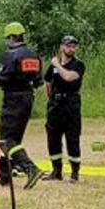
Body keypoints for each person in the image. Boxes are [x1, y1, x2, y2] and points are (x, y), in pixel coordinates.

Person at [0, 22, 45, 188]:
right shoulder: (33, 55)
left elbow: (1, 78)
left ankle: (30, 168)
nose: (6, 42)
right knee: (14, 138)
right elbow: (38, 81)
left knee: (7, 140)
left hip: (13, 99)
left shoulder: (10, 55)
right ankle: (5, 176)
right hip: (27, 98)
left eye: (7, 38)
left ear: (11, 38)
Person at [44, 35, 85, 182]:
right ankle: (56, 171)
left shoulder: (78, 65)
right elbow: (47, 82)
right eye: (68, 46)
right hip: (55, 105)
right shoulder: (53, 67)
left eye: (73, 46)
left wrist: (57, 65)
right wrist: (52, 98)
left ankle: (74, 173)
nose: (71, 49)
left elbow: (68, 77)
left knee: (72, 138)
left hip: (71, 105)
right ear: (62, 47)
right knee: (53, 137)